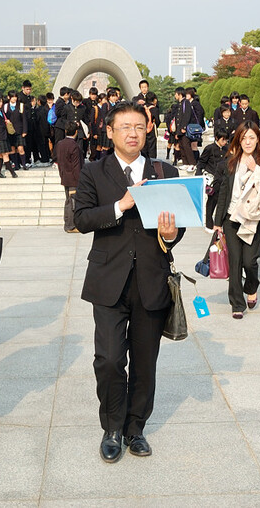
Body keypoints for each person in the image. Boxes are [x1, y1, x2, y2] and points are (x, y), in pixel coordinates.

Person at [73, 103, 184, 464]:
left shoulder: (164, 170)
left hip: (151, 279)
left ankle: (135, 428)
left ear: (148, 129)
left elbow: (176, 224)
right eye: (124, 127)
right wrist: (121, 205)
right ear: (110, 131)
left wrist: (171, 234)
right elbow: (82, 218)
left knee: (144, 362)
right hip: (108, 281)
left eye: (139, 126)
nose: (132, 133)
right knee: (107, 359)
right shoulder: (94, 171)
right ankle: (112, 427)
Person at [214, 122, 260, 319]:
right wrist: (217, 221)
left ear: (258, 139)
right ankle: (237, 303)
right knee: (235, 261)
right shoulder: (231, 162)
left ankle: (251, 286)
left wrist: (256, 170)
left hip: (253, 219)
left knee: (249, 262)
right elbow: (224, 191)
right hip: (231, 218)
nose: (247, 142)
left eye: (251, 137)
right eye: (244, 138)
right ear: (238, 140)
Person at [197, 128, 229, 230]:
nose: (224, 142)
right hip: (212, 179)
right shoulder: (210, 148)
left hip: (223, 179)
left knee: (223, 202)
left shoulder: (226, 149)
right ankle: (209, 224)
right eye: (222, 140)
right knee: (211, 202)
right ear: (217, 138)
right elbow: (202, 161)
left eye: (226, 140)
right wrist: (199, 173)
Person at [55, 121, 84, 233]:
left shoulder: (60, 144)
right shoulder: (74, 146)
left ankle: (69, 223)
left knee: (68, 201)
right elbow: (76, 166)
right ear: (76, 132)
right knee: (72, 202)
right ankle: (70, 226)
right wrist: (79, 180)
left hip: (64, 176)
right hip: (73, 179)